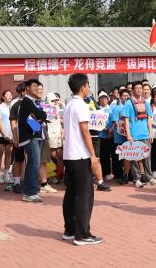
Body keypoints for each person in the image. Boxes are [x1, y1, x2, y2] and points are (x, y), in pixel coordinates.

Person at [59, 73, 103, 245]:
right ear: (83, 87)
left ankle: (70, 230)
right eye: (88, 85)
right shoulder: (81, 105)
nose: (89, 88)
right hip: (80, 155)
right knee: (84, 195)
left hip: (69, 155)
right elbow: (85, 131)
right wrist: (93, 154)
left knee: (71, 194)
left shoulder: (69, 105)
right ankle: (82, 235)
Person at [18, 78, 49, 202]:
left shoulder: (35, 102)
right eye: (34, 87)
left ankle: (32, 191)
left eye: (38, 87)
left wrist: (40, 116)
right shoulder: (27, 101)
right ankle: (29, 193)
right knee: (34, 163)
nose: (37, 89)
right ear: (27, 89)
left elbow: (43, 115)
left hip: (37, 135)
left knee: (34, 163)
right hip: (30, 137)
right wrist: (40, 116)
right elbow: (41, 115)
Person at [120, 83, 155, 188]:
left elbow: (149, 118)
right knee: (134, 157)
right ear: (132, 90)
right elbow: (126, 120)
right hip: (134, 134)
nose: (139, 90)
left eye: (141, 88)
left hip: (145, 134)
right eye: (137, 88)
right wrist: (128, 135)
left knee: (147, 156)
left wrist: (151, 132)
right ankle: (136, 179)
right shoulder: (128, 103)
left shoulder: (146, 102)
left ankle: (149, 177)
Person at [0, 89, 14, 188]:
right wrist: (4, 133)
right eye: (7, 94)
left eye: (11, 94)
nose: (10, 96)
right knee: (0, 152)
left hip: (11, 134)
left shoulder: (13, 107)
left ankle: (6, 173)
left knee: (9, 153)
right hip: (0, 134)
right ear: (3, 97)